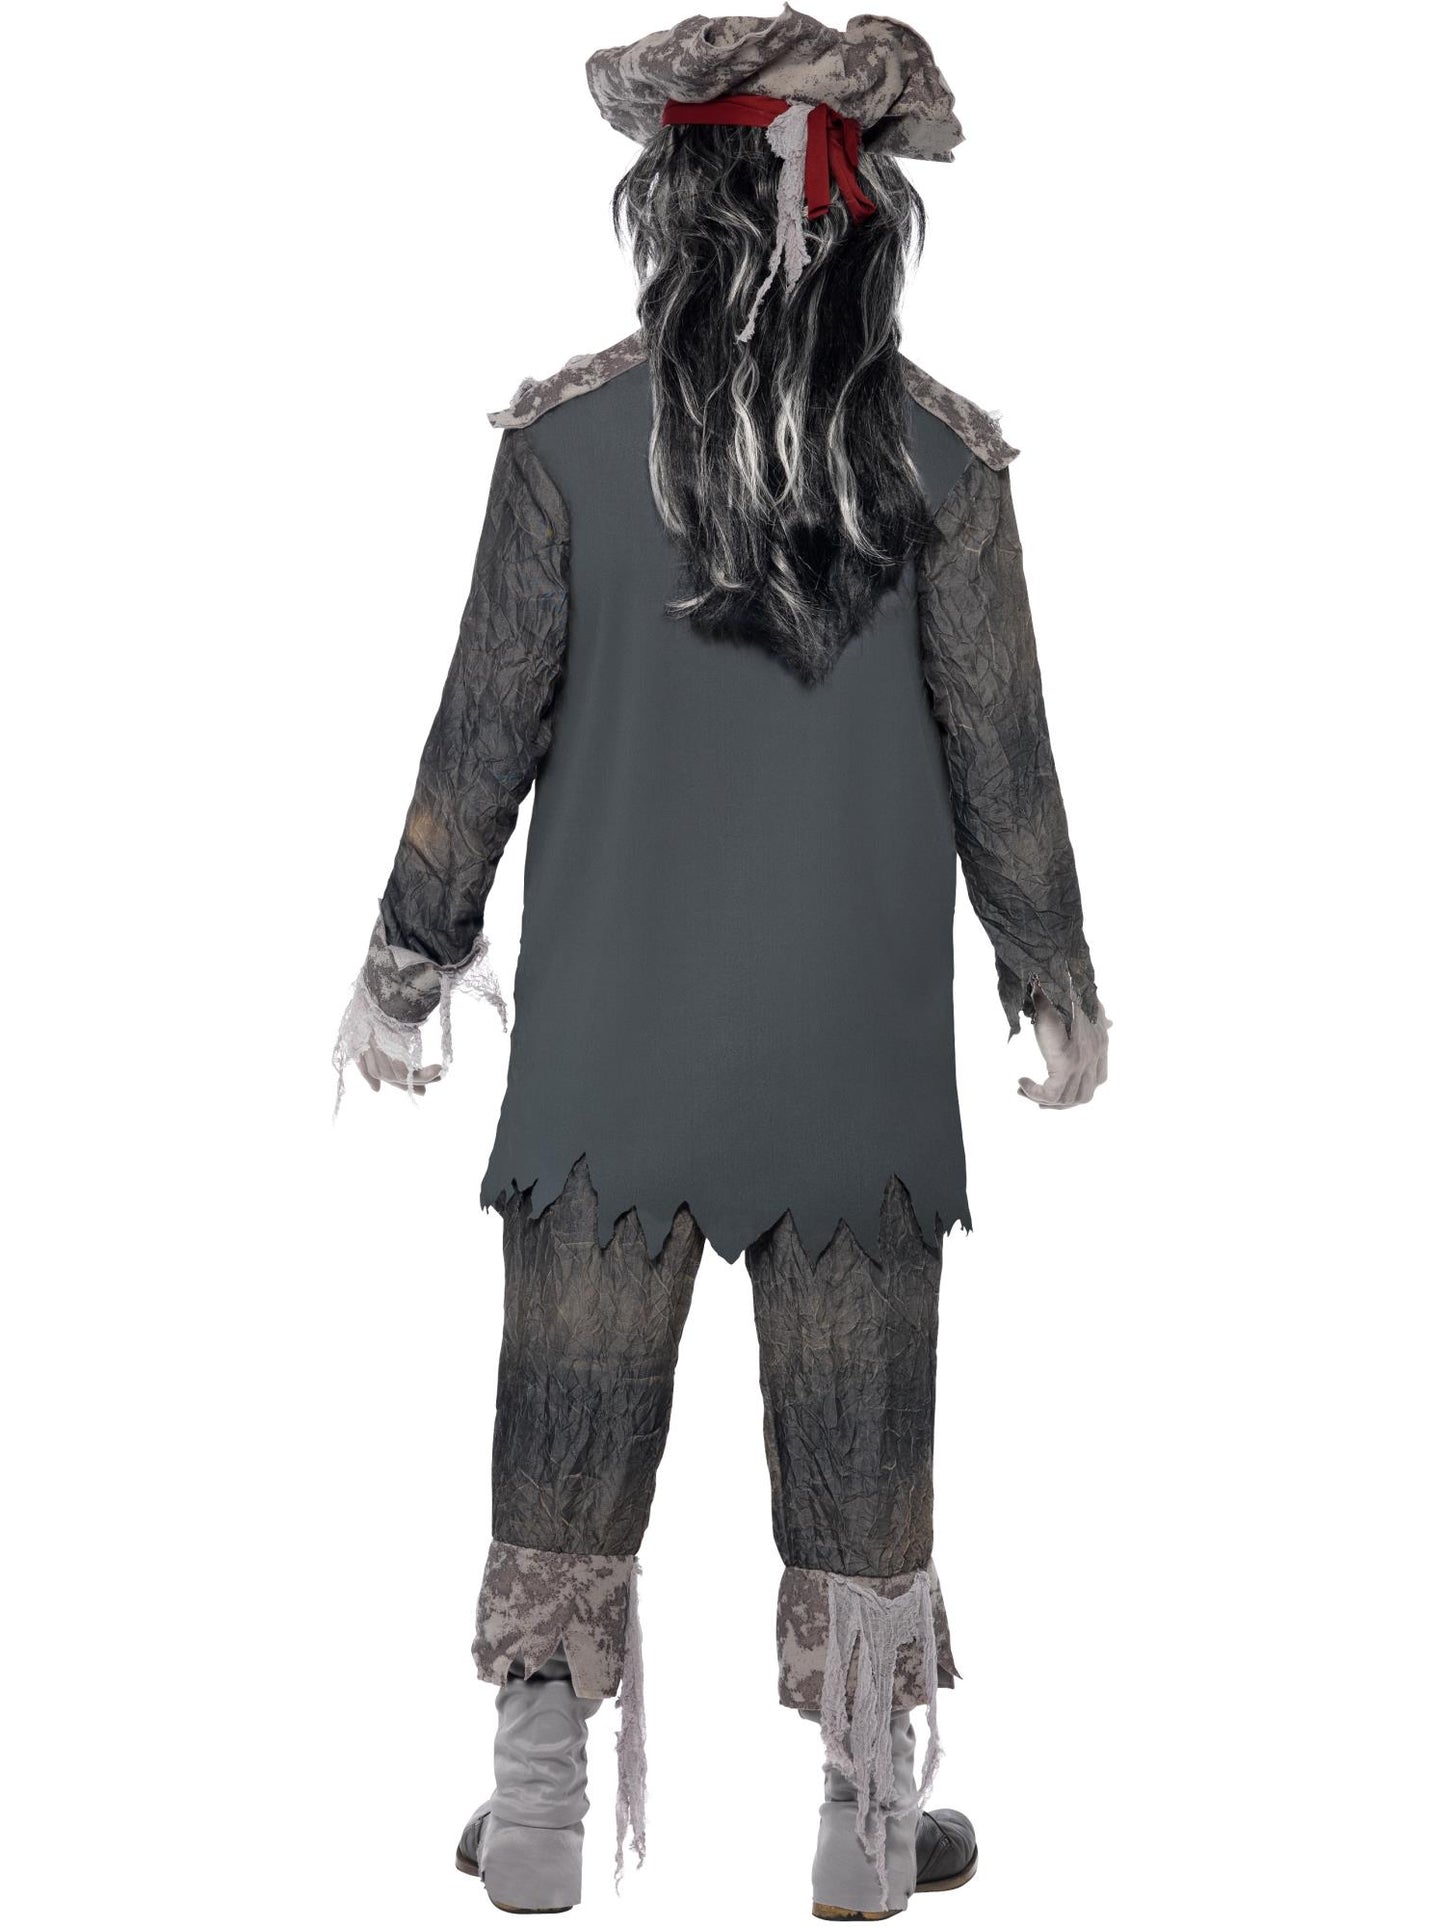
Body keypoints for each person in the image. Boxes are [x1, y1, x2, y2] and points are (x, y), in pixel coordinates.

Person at [333, 8, 1109, 1916]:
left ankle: (537, 1799)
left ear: (667, 203)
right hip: (852, 1063)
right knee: (862, 1427)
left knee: (568, 1408)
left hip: (609, 1060)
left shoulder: (568, 446)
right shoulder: (942, 464)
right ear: (866, 225)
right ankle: (863, 1818)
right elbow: (1002, 755)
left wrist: (406, 964)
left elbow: (481, 733)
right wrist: (1053, 978)